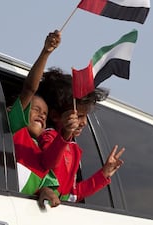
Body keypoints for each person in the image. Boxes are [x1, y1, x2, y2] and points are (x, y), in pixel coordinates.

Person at [36, 68, 125, 205]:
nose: (83, 123)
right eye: (78, 116)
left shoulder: (73, 148)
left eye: (85, 116)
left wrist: (103, 174)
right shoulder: (48, 137)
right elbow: (49, 162)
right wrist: (66, 133)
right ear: (54, 116)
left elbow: (73, 194)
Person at [8, 29, 62, 207]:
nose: (42, 115)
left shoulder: (42, 152)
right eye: (36, 109)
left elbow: (48, 185)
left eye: (45, 114)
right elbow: (29, 89)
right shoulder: (14, 129)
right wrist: (46, 52)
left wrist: (46, 192)